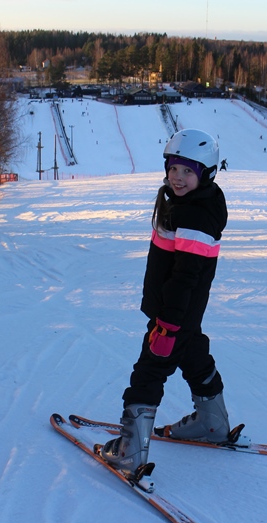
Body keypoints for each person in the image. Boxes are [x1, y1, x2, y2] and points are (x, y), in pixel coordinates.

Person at [99, 129, 230, 477]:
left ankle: (130, 450)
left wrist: (168, 325)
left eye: (188, 171)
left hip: (173, 312)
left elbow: (186, 276)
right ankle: (212, 423)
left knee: (150, 370)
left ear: (207, 173)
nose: (178, 177)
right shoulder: (187, 203)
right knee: (193, 353)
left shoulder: (194, 215)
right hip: (181, 311)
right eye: (174, 168)